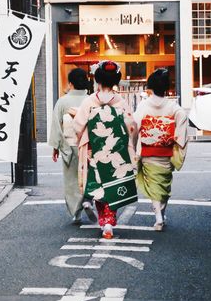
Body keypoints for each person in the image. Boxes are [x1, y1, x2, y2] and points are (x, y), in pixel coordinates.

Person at [74, 61, 138, 239]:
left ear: (97, 80)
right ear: (116, 81)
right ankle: (108, 223)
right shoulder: (121, 102)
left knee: (98, 184)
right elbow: (131, 126)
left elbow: (78, 126)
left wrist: (84, 138)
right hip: (116, 152)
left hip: (94, 152)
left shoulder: (89, 102)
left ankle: (90, 203)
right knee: (113, 186)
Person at [134, 68, 188, 231]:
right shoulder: (173, 108)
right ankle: (159, 217)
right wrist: (173, 140)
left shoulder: (144, 105)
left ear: (150, 87)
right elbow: (182, 124)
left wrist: (134, 144)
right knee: (163, 186)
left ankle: (159, 216)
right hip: (166, 152)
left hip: (148, 152)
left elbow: (134, 127)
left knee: (155, 185)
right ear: (166, 87)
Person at [48, 68, 91, 224]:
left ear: (70, 83)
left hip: (70, 145)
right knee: (90, 176)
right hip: (89, 146)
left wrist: (56, 147)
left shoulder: (63, 101)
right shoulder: (91, 99)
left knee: (72, 180)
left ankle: (76, 212)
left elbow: (56, 126)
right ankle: (88, 200)